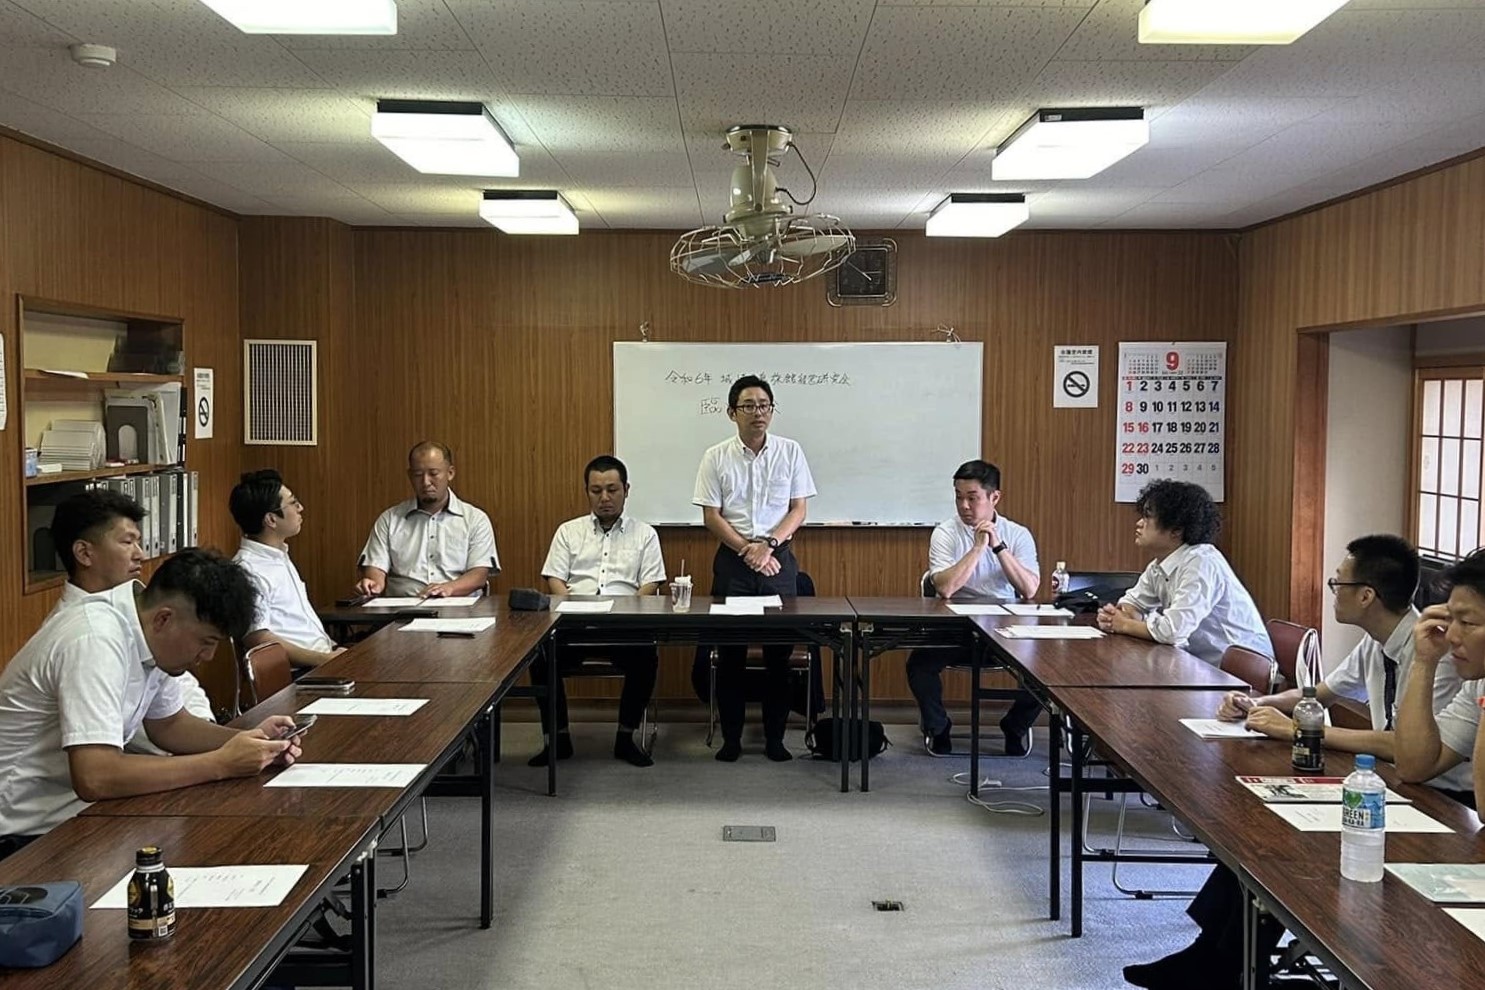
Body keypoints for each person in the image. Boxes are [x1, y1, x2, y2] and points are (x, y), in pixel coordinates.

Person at [1124, 535, 1471, 990]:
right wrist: (1257, 703)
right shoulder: (1378, 642)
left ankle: (1225, 965)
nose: (1333, 591)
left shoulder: (1439, 658)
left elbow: (1406, 750)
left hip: (1443, 802)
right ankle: (1213, 956)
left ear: (1366, 595)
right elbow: (1318, 694)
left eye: (1338, 583)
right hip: (1396, 785)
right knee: (1259, 838)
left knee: (1290, 850)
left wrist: (1303, 731)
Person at [0, 549, 301, 860]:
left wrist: (254, 743)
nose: (207, 657)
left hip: (75, 815)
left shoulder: (147, 631)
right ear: (164, 619)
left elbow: (170, 725)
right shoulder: (94, 640)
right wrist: (221, 763)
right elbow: (95, 776)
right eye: (206, 642)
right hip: (21, 835)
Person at [693, 375, 816, 762]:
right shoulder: (715, 456)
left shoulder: (791, 451)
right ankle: (731, 739)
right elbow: (711, 516)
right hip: (734, 560)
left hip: (779, 561)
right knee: (732, 653)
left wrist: (769, 545)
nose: (758, 412)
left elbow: (799, 508)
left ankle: (775, 740)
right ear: (732, 413)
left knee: (779, 655)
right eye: (748, 405)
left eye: (764, 404)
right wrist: (748, 548)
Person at [47, 489, 217, 754]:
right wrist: (220, 759)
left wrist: (250, 741)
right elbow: (126, 747)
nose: (139, 554)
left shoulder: (135, 615)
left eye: (139, 542)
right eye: (127, 542)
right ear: (84, 553)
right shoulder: (87, 634)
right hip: (58, 793)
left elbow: (172, 715)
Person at [533, 455, 666, 768]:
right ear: (586, 492)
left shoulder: (644, 534)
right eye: (596, 491)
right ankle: (558, 738)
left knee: (646, 656)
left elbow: (651, 584)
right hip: (575, 624)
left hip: (624, 623)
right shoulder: (568, 531)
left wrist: (626, 611)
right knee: (541, 658)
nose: (604, 498)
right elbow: (555, 577)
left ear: (626, 490)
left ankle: (625, 737)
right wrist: (571, 607)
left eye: (612, 489)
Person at [906, 459, 1042, 756]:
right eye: (958, 497)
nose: (964, 505)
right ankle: (939, 727)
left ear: (994, 498)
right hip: (956, 626)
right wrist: (978, 546)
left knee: (1047, 671)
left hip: (1005, 628)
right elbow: (944, 587)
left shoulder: (1018, 534)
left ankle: (1015, 727)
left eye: (972, 498)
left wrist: (998, 546)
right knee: (919, 666)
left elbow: (1029, 589)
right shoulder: (945, 532)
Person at [1097, 479, 1270, 666]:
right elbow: (1132, 603)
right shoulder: (1160, 564)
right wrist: (1119, 616)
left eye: (1147, 517)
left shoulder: (1202, 562)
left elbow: (1172, 632)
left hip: (1241, 675)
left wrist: (1124, 624)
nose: (1139, 524)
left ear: (1176, 530)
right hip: (1202, 666)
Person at [1395, 547, 1485, 803]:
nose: (1452, 636)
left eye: (1467, 623)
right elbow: (1413, 766)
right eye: (1450, 619)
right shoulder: (1477, 684)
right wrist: (1424, 661)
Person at [355, 441, 500, 598]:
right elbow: (375, 568)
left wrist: (448, 588)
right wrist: (373, 584)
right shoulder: (390, 519)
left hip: (460, 611)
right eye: (418, 475)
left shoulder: (475, 519)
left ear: (450, 473)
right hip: (402, 610)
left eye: (433, 473)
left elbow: (479, 574)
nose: (425, 482)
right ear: (410, 476)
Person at [231, 469, 343, 669]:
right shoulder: (248, 570)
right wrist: (325, 661)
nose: (301, 507)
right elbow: (259, 639)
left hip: (323, 658)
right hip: (301, 673)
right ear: (271, 520)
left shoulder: (278, 555)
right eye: (293, 502)